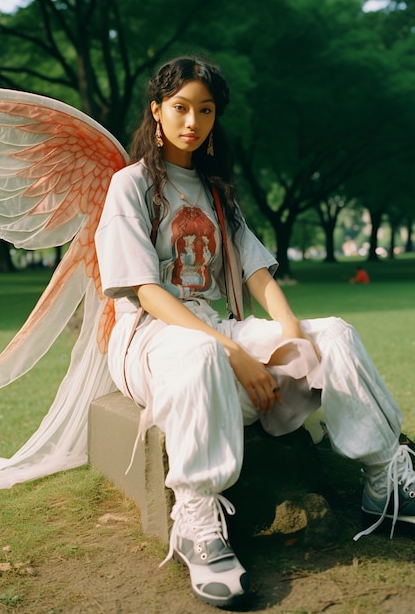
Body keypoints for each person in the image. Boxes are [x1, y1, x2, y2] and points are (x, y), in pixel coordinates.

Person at [94, 56, 415, 609]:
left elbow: (256, 273)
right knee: (200, 354)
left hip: (215, 325)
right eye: (180, 108)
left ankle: (384, 480)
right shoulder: (131, 186)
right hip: (147, 336)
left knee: (332, 335)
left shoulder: (218, 190)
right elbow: (145, 290)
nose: (192, 120)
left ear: (216, 117)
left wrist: (294, 335)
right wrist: (230, 352)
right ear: (156, 111)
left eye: (205, 110)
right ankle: (196, 516)